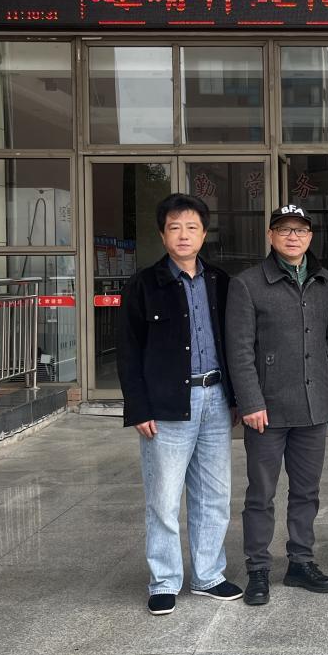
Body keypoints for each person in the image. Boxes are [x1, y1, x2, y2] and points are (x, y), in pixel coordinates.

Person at [117, 193, 242, 616]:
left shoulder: (219, 281)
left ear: (204, 234)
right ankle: (164, 580)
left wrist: (236, 398)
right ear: (162, 234)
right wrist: (139, 407)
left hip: (215, 398)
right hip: (168, 403)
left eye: (192, 227)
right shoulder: (143, 285)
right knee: (164, 498)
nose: (184, 235)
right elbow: (128, 351)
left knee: (214, 495)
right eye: (175, 227)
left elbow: (232, 343)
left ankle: (209, 575)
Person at [225, 203, 328, 605]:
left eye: (301, 230)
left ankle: (301, 562)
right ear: (271, 236)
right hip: (266, 410)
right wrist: (250, 401)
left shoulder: (327, 282)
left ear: (310, 236)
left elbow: (327, 337)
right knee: (261, 493)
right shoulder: (247, 284)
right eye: (285, 229)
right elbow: (239, 350)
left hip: (312, 405)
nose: (293, 237)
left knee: (307, 491)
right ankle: (258, 568)